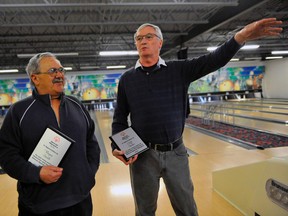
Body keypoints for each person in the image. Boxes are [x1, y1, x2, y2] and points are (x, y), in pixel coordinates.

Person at [111, 18, 282, 216]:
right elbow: (120, 118)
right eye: (139, 38)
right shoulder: (127, 79)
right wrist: (118, 146)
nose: (143, 41)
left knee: (187, 209)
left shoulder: (179, 70)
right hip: (142, 156)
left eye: (149, 37)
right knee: (144, 211)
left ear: (160, 42)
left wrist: (241, 36)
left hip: (176, 152)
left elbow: (213, 60)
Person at [0, 52, 101, 216]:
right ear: (35, 78)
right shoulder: (18, 111)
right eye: (53, 71)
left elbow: (92, 144)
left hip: (80, 200)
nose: (60, 75)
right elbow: (6, 155)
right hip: (38, 204)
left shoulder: (77, 105)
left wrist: (87, 174)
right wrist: (36, 173)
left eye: (61, 70)